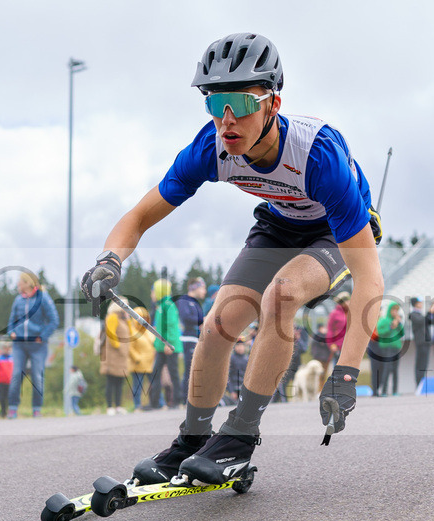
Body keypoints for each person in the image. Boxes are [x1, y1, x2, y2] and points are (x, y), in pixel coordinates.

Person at [81, 32, 383, 486]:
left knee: (281, 297)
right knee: (218, 324)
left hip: (333, 230)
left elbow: (371, 282)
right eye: (213, 104)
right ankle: (194, 440)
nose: (227, 120)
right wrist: (109, 261)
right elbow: (138, 217)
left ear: (271, 103)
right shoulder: (212, 147)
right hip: (279, 223)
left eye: (240, 104)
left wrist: (345, 372)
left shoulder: (319, 157)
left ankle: (240, 436)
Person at [7, 271, 59, 418]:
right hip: (19, 345)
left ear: (27, 283)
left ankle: (36, 409)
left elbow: (54, 320)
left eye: (20, 281)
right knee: (16, 374)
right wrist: (11, 331)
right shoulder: (18, 300)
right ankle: (12, 408)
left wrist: (42, 336)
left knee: (37, 376)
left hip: (37, 345)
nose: (17, 284)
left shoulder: (43, 298)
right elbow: (12, 320)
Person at [146, 279, 183, 410]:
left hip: (170, 347)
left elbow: (172, 326)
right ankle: (154, 403)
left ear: (159, 291)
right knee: (155, 373)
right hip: (162, 347)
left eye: (153, 291)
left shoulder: (168, 305)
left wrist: (169, 344)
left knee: (173, 374)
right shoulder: (160, 306)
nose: (152, 294)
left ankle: (177, 402)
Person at [176, 277, 206, 405]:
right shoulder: (184, 300)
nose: (204, 291)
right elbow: (185, 317)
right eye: (203, 288)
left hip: (196, 338)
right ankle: (184, 399)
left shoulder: (196, 303)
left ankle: (194, 398)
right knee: (189, 368)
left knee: (196, 369)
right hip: (187, 338)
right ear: (196, 287)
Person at [101, 299, 132, 415]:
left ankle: (118, 406)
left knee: (120, 381)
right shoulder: (113, 317)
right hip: (113, 355)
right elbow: (111, 334)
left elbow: (130, 331)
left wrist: (128, 319)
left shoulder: (123, 319)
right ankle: (110, 407)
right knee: (111, 381)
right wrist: (119, 346)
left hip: (121, 356)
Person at [128, 305, 155, 410]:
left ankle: (158, 403)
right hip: (138, 364)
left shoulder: (149, 331)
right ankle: (137, 405)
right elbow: (130, 348)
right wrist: (137, 358)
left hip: (150, 363)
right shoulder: (132, 332)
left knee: (154, 384)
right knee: (137, 386)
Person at [374, 302, 403, 396]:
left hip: (396, 347)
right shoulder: (384, 320)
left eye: (397, 310)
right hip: (387, 347)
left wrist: (399, 324)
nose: (395, 312)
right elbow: (381, 332)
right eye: (394, 310)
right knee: (387, 368)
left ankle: (395, 390)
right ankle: (384, 391)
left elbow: (402, 333)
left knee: (395, 369)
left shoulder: (397, 321)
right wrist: (391, 327)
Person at [408, 297, 431, 386]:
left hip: (426, 342)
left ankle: (422, 382)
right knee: (420, 363)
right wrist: (429, 312)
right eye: (419, 302)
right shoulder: (413, 314)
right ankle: (419, 383)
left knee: (424, 364)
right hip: (420, 342)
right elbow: (420, 321)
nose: (421, 304)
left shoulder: (420, 314)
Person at [326, 291, 350, 364]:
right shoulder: (334, 314)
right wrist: (331, 344)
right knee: (338, 368)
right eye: (346, 301)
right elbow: (330, 330)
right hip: (338, 346)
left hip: (350, 345)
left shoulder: (352, 312)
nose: (348, 302)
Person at [226, 336, 250, 405]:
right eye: (238, 345)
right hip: (234, 390)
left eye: (242, 345)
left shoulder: (247, 359)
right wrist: (232, 391)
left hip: (244, 390)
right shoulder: (231, 359)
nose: (240, 347)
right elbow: (228, 376)